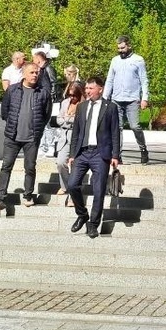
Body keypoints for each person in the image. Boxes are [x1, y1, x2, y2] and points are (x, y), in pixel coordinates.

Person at [0, 63, 51, 214]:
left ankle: (28, 195)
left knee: (30, 167)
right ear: (24, 74)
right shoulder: (12, 90)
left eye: (37, 72)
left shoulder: (43, 92)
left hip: (32, 138)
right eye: (32, 72)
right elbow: (5, 110)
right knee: (6, 166)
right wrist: (12, 124)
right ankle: (0, 199)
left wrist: (37, 129)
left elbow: (46, 114)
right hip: (12, 136)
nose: (35, 75)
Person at [67, 75, 122, 239]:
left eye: (91, 88)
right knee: (72, 184)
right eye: (86, 88)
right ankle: (82, 214)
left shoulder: (110, 107)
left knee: (98, 191)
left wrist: (115, 155)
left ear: (100, 89)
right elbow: (76, 132)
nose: (87, 91)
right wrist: (72, 154)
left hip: (100, 153)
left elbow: (115, 132)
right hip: (82, 152)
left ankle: (93, 224)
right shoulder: (82, 107)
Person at [105, 35, 150, 164]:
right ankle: (117, 155)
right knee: (117, 128)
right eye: (119, 48)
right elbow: (110, 80)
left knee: (135, 126)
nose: (120, 51)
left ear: (129, 46)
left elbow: (144, 80)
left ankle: (143, 149)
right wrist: (105, 98)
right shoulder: (115, 60)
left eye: (123, 48)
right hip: (116, 99)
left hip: (132, 99)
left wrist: (144, 98)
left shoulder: (138, 60)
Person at [53, 81, 84, 202]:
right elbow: (58, 119)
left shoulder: (84, 105)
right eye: (70, 95)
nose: (72, 97)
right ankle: (65, 186)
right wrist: (68, 119)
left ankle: (73, 192)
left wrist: (67, 119)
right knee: (60, 162)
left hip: (78, 137)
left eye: (74, 95)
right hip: (65, 136)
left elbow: (80, 121)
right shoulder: (65, 103)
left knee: (76, 166)